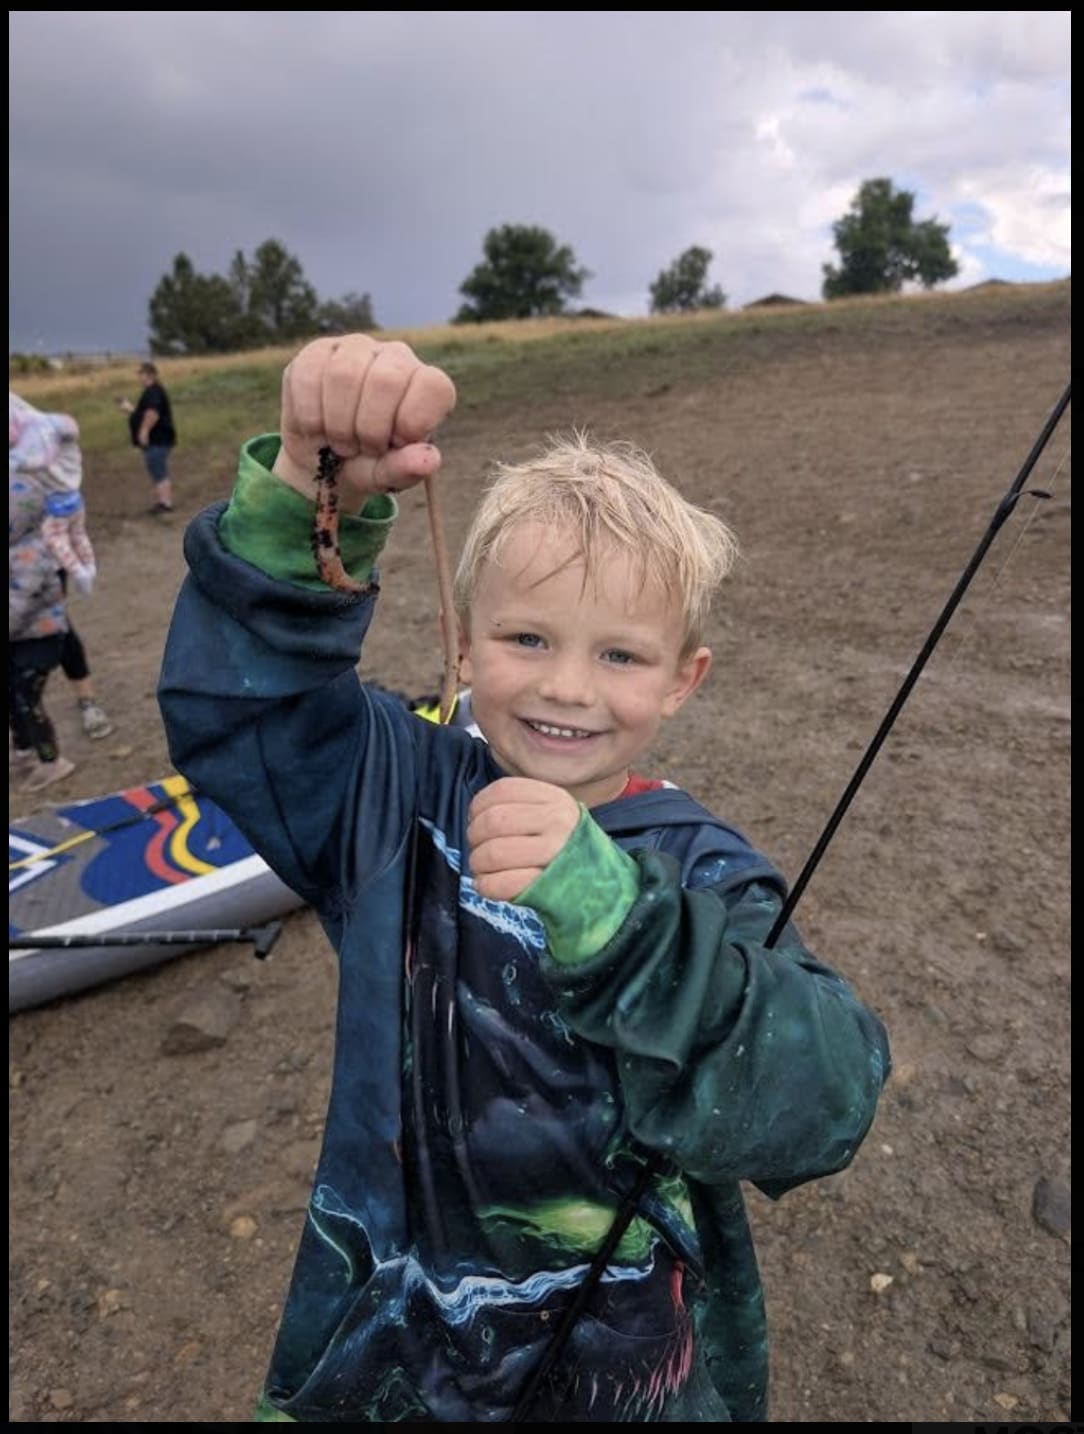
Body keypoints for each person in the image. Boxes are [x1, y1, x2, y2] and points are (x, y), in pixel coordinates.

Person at [158, 334, 890, 1423]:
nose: (564, 688)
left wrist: (624, 925)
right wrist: (308, 495)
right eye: (527, 637)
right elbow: (244, 714)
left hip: (631, 1365)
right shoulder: (387, 789)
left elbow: (824, 1101)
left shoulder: (697, 868)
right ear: (462, 644)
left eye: (619, 655)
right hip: (395, 1347)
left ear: (683, 680)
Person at [9, 393, 102, 791]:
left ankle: (51, 760)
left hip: (39, 633)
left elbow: (22, 597)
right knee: (15, 695)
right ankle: (25, 751)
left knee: (25, 694)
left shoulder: (31, 552)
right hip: (21, 636)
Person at [118, 360, 176, 513]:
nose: (139, 377)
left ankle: (165, 503)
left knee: (158, 469)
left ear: (149, 375)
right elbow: (144, 413)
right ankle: (163, 501)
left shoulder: (153, 391)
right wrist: (130, 409)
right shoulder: (152, 392)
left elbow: (152, 414)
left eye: (141, 374)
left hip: (158, 439)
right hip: (159, 439)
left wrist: (143, 432)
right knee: (156, 468)